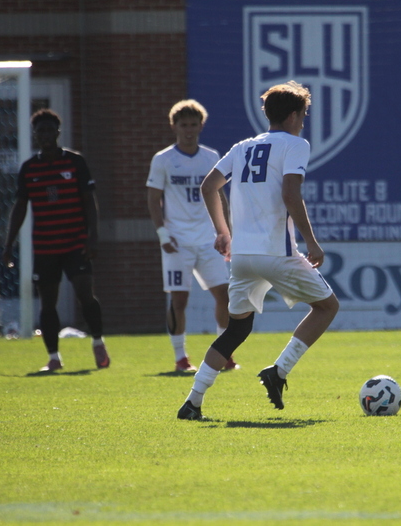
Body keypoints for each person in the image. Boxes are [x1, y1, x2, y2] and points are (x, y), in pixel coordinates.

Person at [177, 80, 340, 420]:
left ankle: (192, 402)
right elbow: (291, 194)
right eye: (304, 114)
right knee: (327, 307)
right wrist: (311, 241)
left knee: (237, 329)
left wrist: (223, 232)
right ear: (295, 116)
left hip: (242, 257)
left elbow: (209, 186)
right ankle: (279, 371)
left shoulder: (243, 147)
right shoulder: (295, 145)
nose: (304, 120)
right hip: (276, 252)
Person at [3, 109, 109, 372]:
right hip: (46, 246)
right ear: (35, 135)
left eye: (50, 130)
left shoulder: (75, 162)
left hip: (75, 243)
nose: (46, 135)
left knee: (86, 294)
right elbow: (20, 208)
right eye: (41, 131)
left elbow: (89, 202)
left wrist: (92, 237)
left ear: (58, 132)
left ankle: (97, 341)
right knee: (48, 302)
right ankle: (53, 357)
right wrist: (8, 245)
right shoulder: (29, 169)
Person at [146, 100, 238, 373]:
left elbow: (221, 196)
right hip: (177, 242)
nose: (188, 130)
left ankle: (224, 354)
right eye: (183, 125)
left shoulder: (211, 157)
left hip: (208, 239)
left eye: (193, 125)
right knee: (179, 300)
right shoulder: (163, 159)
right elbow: (153, 199)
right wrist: (163, 234)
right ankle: (180, 358)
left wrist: (226, 231)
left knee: (224, 295)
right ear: (174, 125)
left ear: (201, 125)